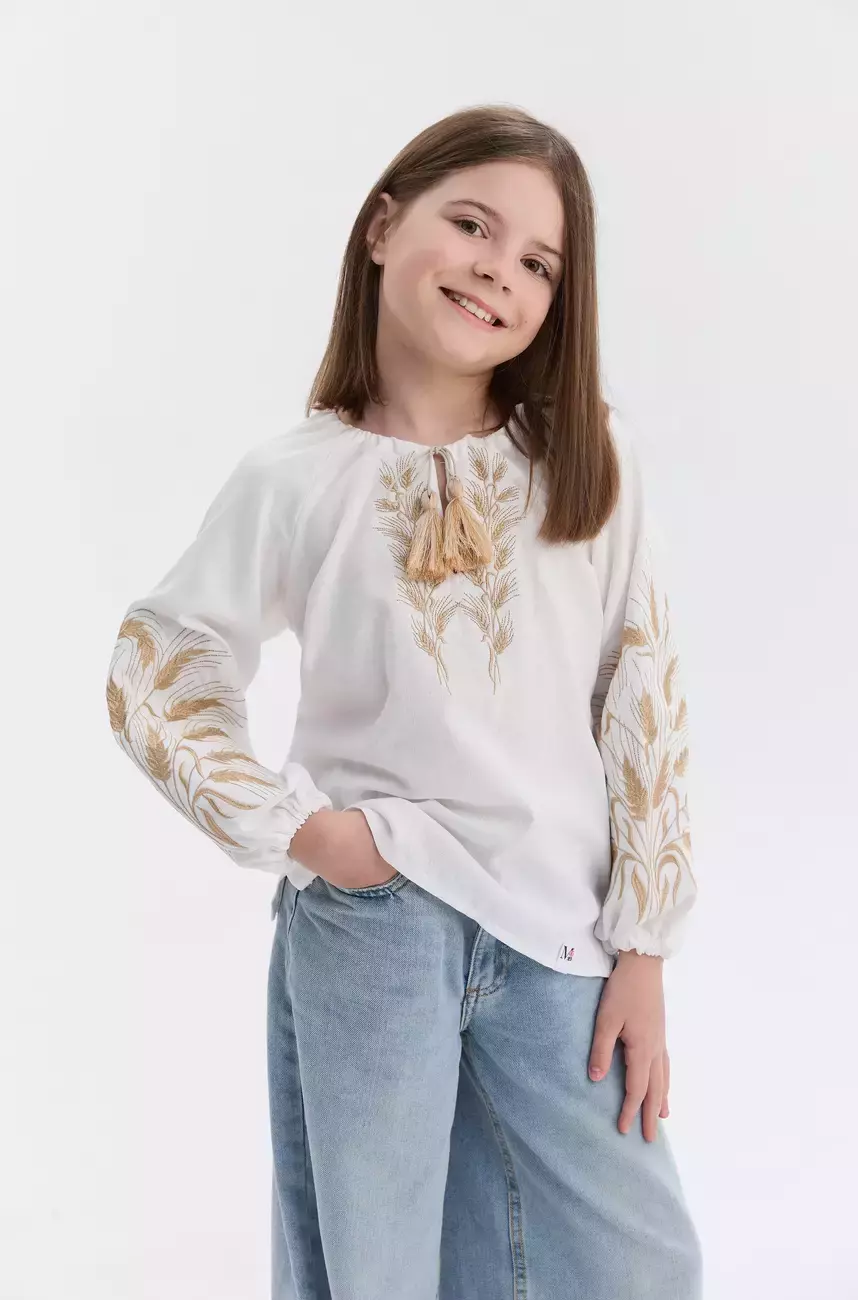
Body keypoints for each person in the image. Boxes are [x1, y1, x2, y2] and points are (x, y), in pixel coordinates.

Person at [106, 103, 702, 1299]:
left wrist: (643, 947)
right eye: (471, 225)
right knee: (372, 1267)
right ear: (383, 227)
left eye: (538, 263)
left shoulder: (585, 455)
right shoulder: (297, 477)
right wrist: (305, 832)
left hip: (558, 932)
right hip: (375, 925)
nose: (498, 271)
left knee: (639, 1262)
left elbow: (640, 690)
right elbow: (157, 667)